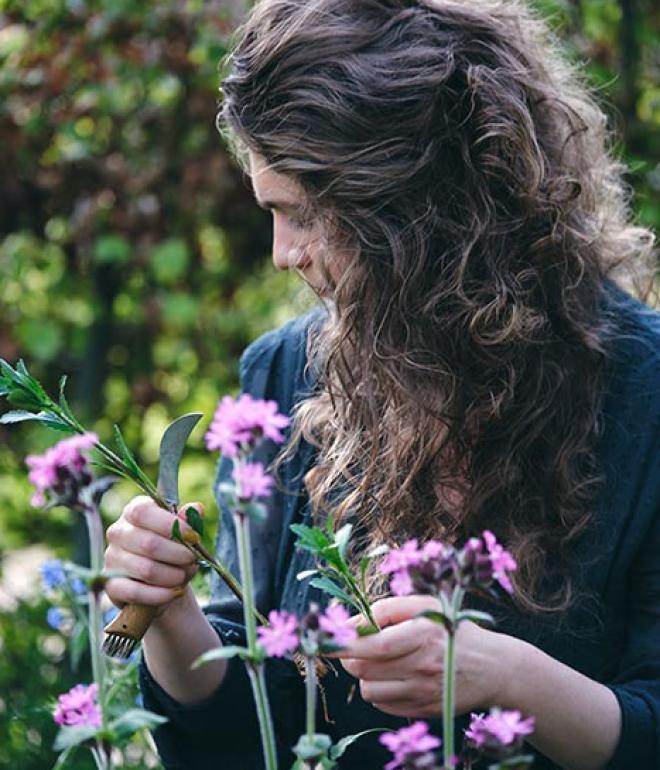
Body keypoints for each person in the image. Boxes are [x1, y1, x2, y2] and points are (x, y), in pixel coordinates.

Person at [103, 1, 660, 768]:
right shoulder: (281, 376)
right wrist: (172, 617)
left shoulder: (646, 394)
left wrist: (506, 675)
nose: (281, 255)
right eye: (270, 210)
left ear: (424, 211)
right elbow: (246, 738)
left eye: (303, 215)